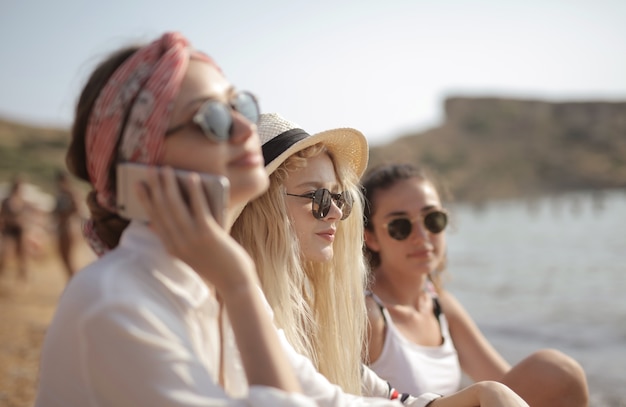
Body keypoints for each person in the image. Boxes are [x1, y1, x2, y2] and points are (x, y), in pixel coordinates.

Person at [35, 32, 318, 406]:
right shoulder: (115, 301)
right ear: (142, 163)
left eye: (240, 106)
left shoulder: (208, 282)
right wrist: (240, 283)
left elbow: (323, 397)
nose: (246, 129)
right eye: (212, 118)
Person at [231, 113, 530, 407]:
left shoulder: (301, 311)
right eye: (317, 198)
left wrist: (483, 393)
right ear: (258, 206)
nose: (335, 212)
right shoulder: (232, 309)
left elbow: (387, 395)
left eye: (339, 198)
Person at [361, 163, 589, 407]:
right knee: (552, 368)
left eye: (432, 219)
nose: (422, 235)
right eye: (400, 226)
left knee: (557, 372)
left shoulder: (439, 304)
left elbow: (505, 383)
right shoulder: (368, 315)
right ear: (371, 237)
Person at [0, 175, 30, 280]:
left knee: (23, 256)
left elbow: (27, 217)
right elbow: (2, 216)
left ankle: (23, 277)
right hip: (9, 230)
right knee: (5, 254)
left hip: (20, 230)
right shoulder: (7, 201)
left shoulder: (22, 201)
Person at [51, 170, 80, 279]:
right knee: (63, 257)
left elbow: (78, 210)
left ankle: (74, 281)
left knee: (69, 258)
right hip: (61, 227)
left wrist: (65, 216)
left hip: (69, 227)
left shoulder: (72, 193)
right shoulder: (60, 193)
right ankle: (71, 280)